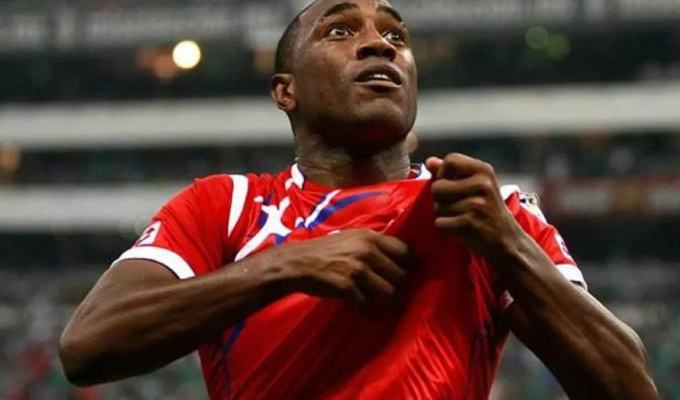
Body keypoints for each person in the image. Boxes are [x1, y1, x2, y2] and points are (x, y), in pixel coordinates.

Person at [58, 0, 658, 399]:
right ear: (285, 91)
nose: (380, 46)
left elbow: (630, 387)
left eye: (396, 35)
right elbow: (88, 347)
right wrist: (286, 265)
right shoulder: (226, 205)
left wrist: (508, 246)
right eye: (341, 31)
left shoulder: (485, 210)